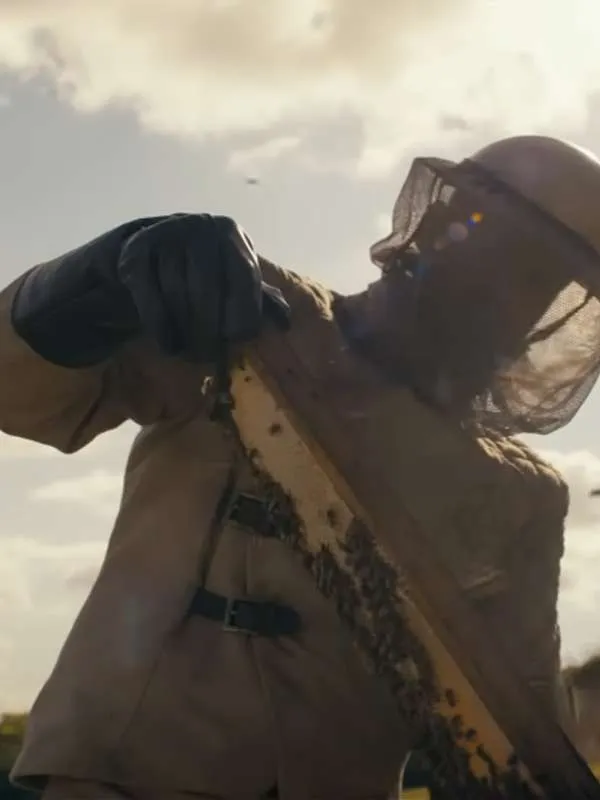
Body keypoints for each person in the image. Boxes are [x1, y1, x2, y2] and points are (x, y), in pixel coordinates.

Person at [3, 134, 600, 800]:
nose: (504, 290)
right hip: (116, 781)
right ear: (437, 221)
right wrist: (102, 275)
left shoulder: (520, 495)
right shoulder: (249, 309)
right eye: (497, 247)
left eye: (536, 278)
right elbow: (17, 387)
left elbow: (516, 732)